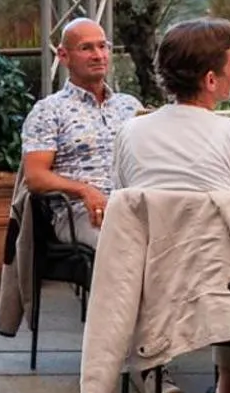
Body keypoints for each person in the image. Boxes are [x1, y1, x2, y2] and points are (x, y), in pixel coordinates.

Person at [109, 18, 230, 393]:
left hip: (149, 281)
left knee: (224, 261)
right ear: (211, 79)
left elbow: (122, 201)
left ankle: (156, 369)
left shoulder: (129, 132)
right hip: (224, 291)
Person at [20, 17, 141, 247]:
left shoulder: (130, 106)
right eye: (86, 48)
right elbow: (35, 177)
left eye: (102, 46)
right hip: (80, 213)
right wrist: (85, 191)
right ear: (63, 56)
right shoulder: (49, 110)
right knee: (123, 244)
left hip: (133, 206)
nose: (98, 55)